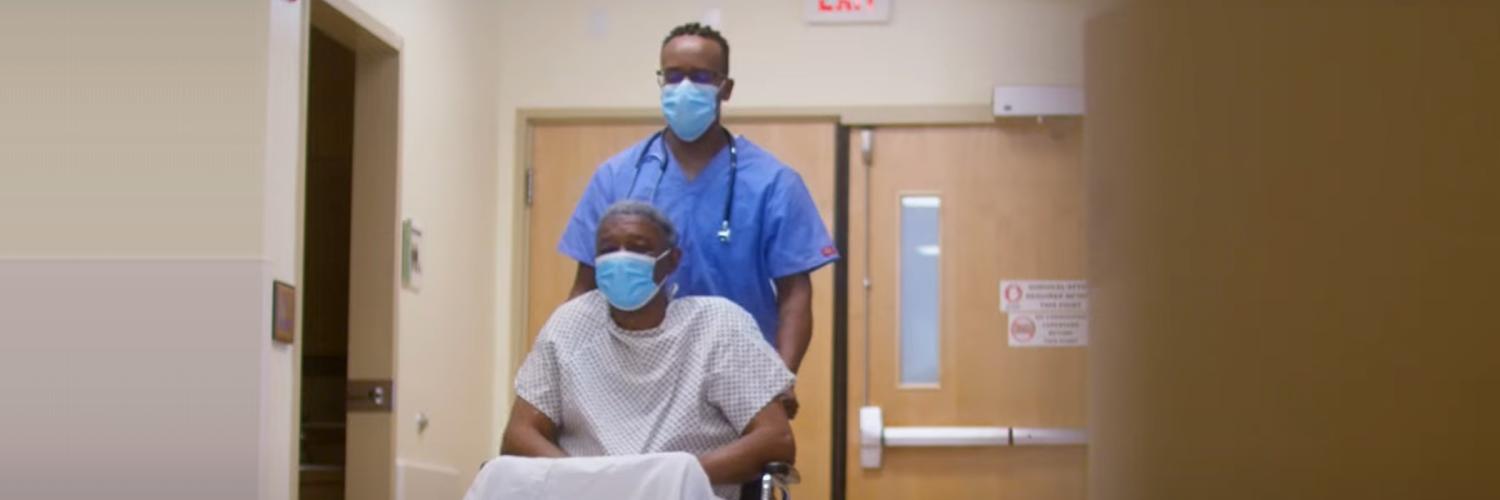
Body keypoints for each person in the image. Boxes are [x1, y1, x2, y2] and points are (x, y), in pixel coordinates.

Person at [559, 22, 837, 418]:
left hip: (737, 377)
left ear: (725, 87)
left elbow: (795, 294)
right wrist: (566, 365)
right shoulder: (617, 176)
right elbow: (584, 287)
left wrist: (781, 378)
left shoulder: (773, 182)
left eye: (700, 76)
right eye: (673, 76)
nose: (684, 86)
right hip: (629, 374)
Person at [506, 201, 796, 499]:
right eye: (608, 249)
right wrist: (589, 483)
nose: (620, 258)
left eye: (638, 248)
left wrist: (662, 480)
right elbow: (519, 435)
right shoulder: (570, 324)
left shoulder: (718, 325)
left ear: (671, 261)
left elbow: (775, 439)